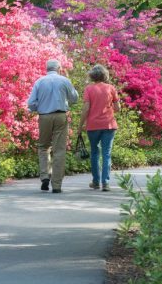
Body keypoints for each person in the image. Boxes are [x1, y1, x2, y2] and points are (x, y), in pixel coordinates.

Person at [27, 58, 79, 193]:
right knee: (59, 149)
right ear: (59, 68)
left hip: (44, 116)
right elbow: (74, 98)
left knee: (43, 147)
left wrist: (40, 106)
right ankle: (56, 185)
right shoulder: (64, 81)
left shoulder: (39, 81)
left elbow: (31, 103)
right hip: (61, 115)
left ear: (46, 69)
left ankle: (44, 176)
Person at [78, 64, 120, 191]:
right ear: (105, 75)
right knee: (107, 153)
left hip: (93, 125)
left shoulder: (89, 89)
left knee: (95, 153)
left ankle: (96, 182)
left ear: (92, 76)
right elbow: (118, 108)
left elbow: (86, 109)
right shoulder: (111, 88)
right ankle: (105, 182)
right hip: (109, 125)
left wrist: (80, 126)